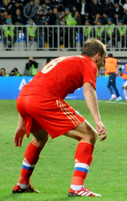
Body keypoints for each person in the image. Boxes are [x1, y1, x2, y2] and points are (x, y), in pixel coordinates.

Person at [12, 38, 107, 197]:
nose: (102, 64)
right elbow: (88, 90)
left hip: (23, 99)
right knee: (89, 135)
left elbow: (34, 84)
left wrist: (21, 123)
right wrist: (98, 121)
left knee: (40, 138)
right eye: (103, 60)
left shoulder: (63, 59)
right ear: (97, 56)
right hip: (43, 100)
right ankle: (77, 187)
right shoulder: (89, 64)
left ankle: (22, 183)